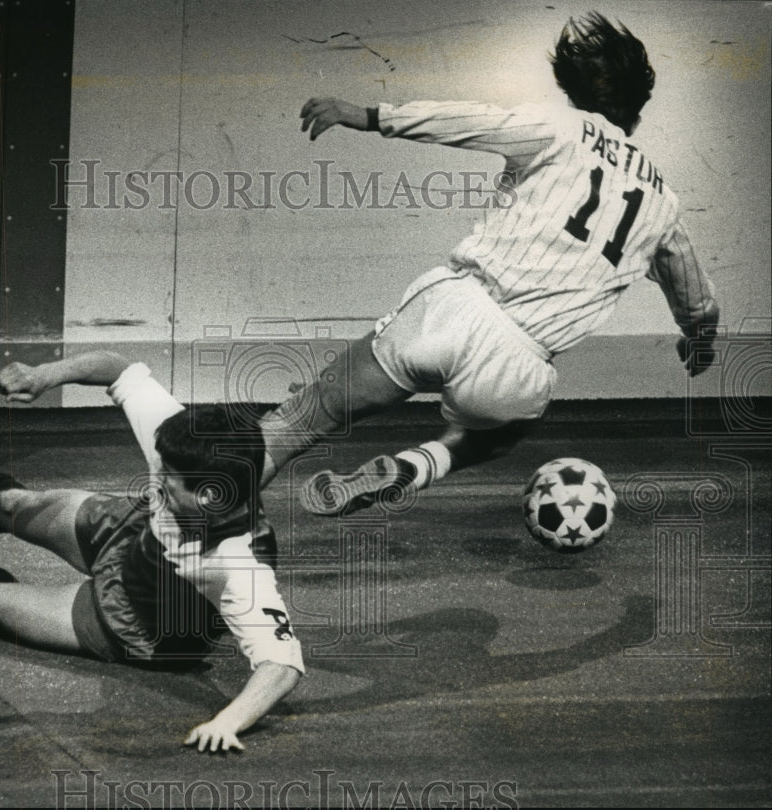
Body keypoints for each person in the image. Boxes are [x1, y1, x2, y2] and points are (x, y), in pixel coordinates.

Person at [258, 12, 720, 515]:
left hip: (453, 309)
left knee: (307, 414)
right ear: (640, 105)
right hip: (519, 363)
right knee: (495, 437)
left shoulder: (562, 126)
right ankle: (420, 464)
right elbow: (696, 297)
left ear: (575, 90)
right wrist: (698, 338)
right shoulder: (663, 204)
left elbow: (472, 121)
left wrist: (370, 115)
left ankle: (201, 507)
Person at [0, 350, 303, 753]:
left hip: (139, 620)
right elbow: (120, 369)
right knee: (15, 503)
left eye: (169, 480)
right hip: (131, 532)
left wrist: (228, 721)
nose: (156, 474)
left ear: (208, 497)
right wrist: (44, 376)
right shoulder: (188, 447)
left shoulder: (239, 565)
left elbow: (280, 665)